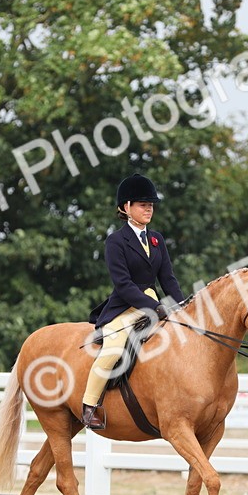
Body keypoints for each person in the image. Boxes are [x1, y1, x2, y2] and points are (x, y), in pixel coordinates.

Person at [81, 173, 185, 429]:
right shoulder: (115, 241)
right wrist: (154, 307)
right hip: (125, 306)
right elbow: (123, 285)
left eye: (151, 204)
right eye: (142, 204)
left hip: (153, 303)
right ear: (126, 207)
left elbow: (168, 279)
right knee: (114, 349)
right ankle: (89, 405)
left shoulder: (157, 239)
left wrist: (183, 308)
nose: (149, 208)